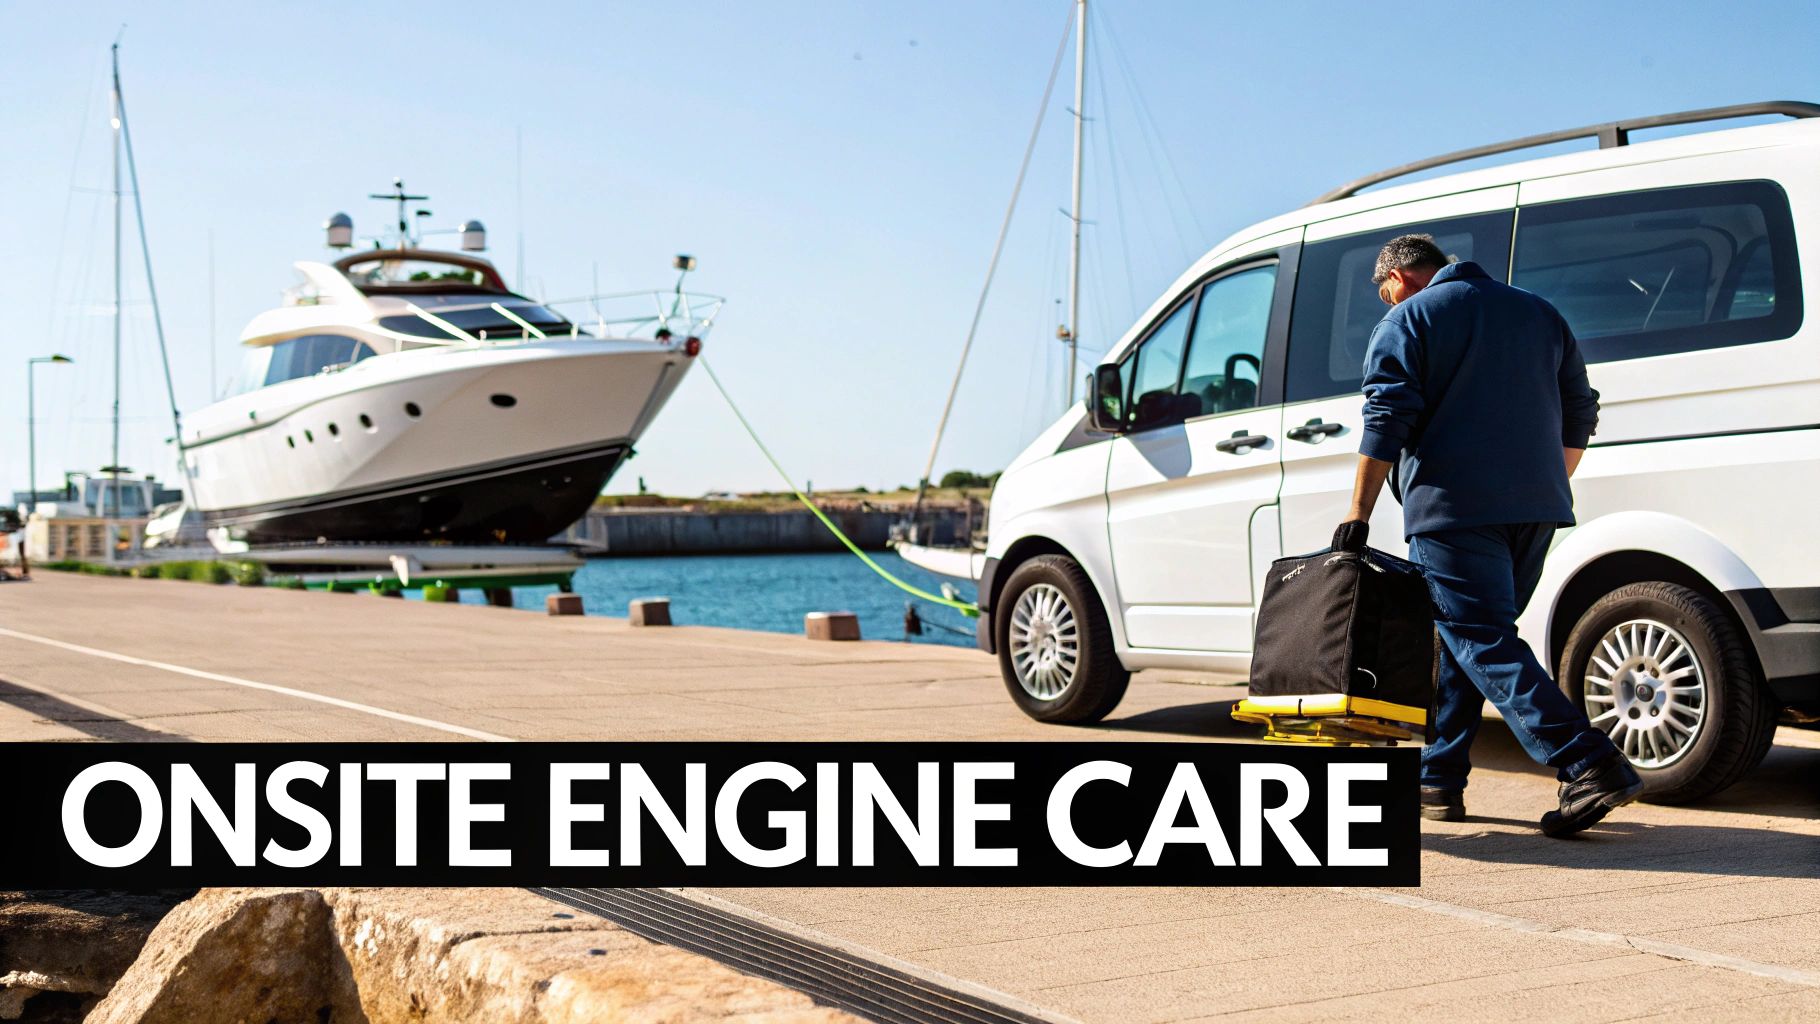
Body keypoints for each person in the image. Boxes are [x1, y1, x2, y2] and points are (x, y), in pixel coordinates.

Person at [1333, 233, 1642, 838]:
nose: (1385, 304)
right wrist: (1543, 479)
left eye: (1383, 293)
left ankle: (1589, 762)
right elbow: (1581, 410)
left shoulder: (1410, 318)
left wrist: (1357, 515)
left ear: (1400, 278)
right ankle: (1437, 780)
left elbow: (1386, 419)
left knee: (1478, 637)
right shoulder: (1539, 312)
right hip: (1537, 509)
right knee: (1466, 642)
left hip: (1453, 510)